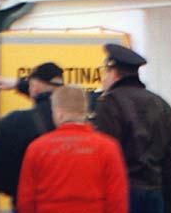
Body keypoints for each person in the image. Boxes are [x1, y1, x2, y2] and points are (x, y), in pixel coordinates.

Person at [93, 44, 171, 213]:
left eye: (105, 73)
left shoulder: (110, 104)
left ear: (113, 73)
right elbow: (170, 162)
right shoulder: (160, 104)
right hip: (155, 193)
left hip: (123, 194)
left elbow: (103, 157)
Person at [17, 85, 128, 213]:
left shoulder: (37, 148)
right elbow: (117, 199)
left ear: (59, 113)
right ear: (85, 111)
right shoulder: (108, 147)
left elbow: (25, 200)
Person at [0, 62, 64, 208]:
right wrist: (19, 84)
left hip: (28, 204)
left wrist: (17, 191)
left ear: (35, 86)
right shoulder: (79, 119)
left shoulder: (14, 122)